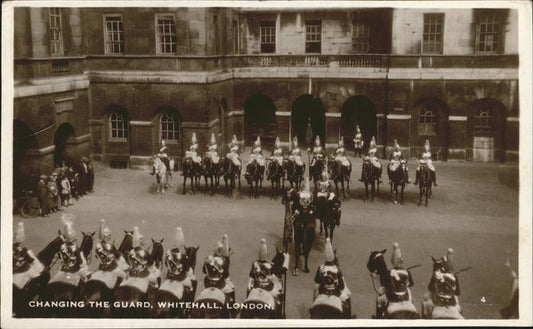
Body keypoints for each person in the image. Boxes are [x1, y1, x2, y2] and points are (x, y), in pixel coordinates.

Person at [314, 238, 351, 316]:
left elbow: (316, 285)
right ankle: (349, 318)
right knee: (347, 299)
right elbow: (341, 286)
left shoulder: (320, 268)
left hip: (322, 291)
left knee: (314, 297)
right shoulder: (337, 269)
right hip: (335, 293)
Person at [376, 242, 415, 318]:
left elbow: (386, 284)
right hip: (405, 295)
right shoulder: (407, 272)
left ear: (392, 261)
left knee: (379, 300)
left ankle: (378, 319)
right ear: (402, 261)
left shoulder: (389, 272)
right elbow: (412, 284)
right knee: (412, 299)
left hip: (393, 296)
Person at [49, 214, 90, 285]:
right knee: (87, 280)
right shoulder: (78, 250)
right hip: (74, 271)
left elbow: (61, 257)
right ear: (74, 239)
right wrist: (86, 272)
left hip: (62, 270)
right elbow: (82, 263)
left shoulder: (62, 247)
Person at [247, 238, 283, 306]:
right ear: (267, 254)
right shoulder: (271, 265)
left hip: (256, 288)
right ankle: (279, 314)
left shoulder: (254, 264)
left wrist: (249, 287)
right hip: (268, 289)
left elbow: (251, 277)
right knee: (278, 296)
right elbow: (275, 276)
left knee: (248, 291)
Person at [202, 234, 235, 305]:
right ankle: (233, 310)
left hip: (207, 283)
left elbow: (204, 271)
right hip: (220, 285)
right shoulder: (224, 260)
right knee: (231, 289)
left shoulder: (208, 258)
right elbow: (226, 276)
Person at [163, 227, 197, 295]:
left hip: (169, 277)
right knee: (192, 283)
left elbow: (166, 264)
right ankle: (189, 303)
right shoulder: (182, 256)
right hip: (180, 279)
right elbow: (187, 269)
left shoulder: (167, 254)